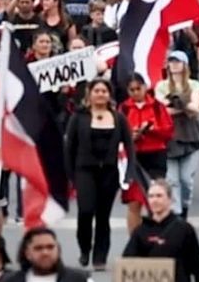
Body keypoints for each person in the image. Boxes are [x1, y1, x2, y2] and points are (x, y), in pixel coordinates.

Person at [64, 78, 136, 271]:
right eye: (97, 91)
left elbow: (129, 146)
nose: (100, 94)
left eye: (104, 91)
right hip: (84, 170)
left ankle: (100, 257)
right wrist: (70, 176)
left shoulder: (119, 118)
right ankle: (85, 248)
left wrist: (130, 172)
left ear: (109, 95)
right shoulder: (78, 117)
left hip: (110, 172)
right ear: (90, 94)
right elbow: (69, 148)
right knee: (86, 211)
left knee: (103, 217)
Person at [122, 180, 199, 282]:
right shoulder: (140, 231)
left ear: (170, 200)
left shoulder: (184, 229)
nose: (154, 200)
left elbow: (198, 267)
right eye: (151, 196)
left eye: (159, 196)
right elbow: (127, 265)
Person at [119, 73, 174, 234]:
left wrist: (150, 130)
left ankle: (158, 238)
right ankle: (135, 241)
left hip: (155, 155)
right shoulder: (123, 108)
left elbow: (169, 131)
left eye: (138, 88)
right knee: (134, 202)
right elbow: (117, 133)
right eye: (132, 89)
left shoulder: (157, 106)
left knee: (156, 200)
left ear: (145, 87)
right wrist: (131, 135)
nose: (136, 92)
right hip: (132, 158)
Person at [154, 51, 199, 220]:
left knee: (186, 180)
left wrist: (178, 103)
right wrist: (183, 106)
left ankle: (185, 206)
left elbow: (196, 108)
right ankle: (177, 215)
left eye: (178, 62)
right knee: (172, 181)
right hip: (169, 137)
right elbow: (162, 109)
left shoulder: (194, 84)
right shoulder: (161, 85)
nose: (174, 65)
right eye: (171, 62)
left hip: (190, 135)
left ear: (185, 65)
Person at [5, 227, 89, 282]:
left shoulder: (79, 279)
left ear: (58, 250)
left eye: (50, 247)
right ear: (27, 253)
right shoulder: (11, 280)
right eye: (38, 248)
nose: (45, 252)